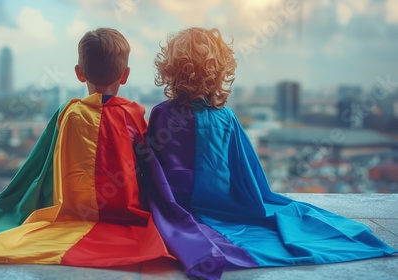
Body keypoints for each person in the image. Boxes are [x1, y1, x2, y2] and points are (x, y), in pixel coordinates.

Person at [140, 27, 397, 280]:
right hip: (222, 201)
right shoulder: (226, 116)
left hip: (179, 203)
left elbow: (154, 170)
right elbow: (245, 170)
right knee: (280, 216)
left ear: (171, 71)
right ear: (217, 72)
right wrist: (254, 201)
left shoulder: (162, 114)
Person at [0, 28, 172, 267]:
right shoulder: (134, 114)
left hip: (69, 213)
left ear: (79, 72)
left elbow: (40, 166)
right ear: (125, 75)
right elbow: (149, 167)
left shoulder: (67, 113)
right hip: (125, 215)